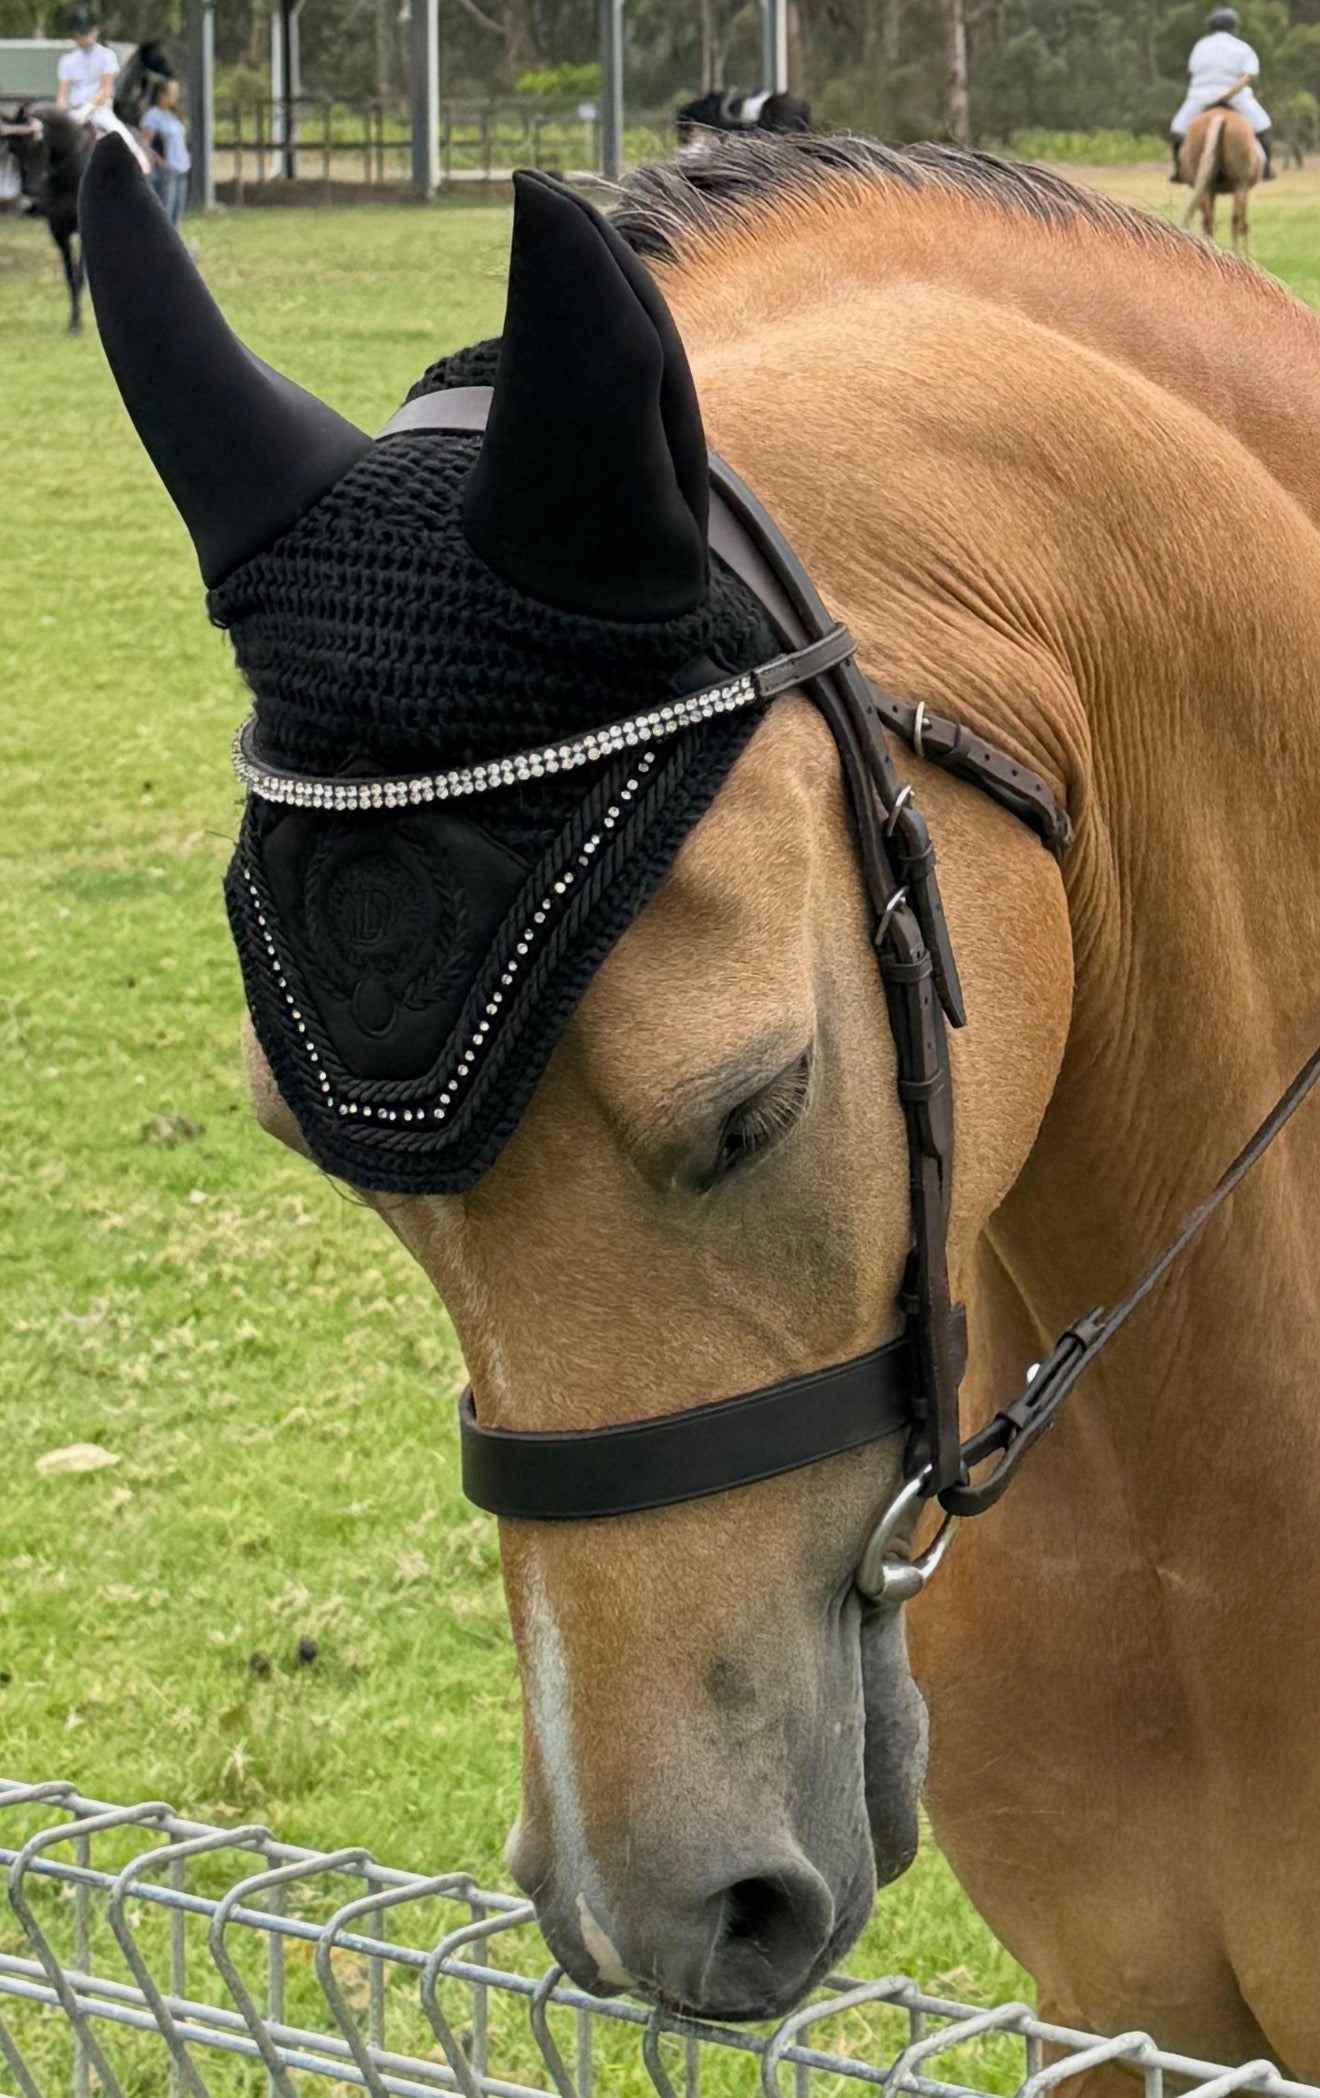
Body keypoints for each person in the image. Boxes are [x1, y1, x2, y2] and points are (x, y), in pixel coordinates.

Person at [1170, 8, 1274, 181]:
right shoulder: (1242, 47)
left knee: (1177, 129)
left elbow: (1192, 71)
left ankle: (1178, 172)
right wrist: (1228, 94)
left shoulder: (1200, 46)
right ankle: (1266, 170)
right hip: (1236, 97)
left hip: (1200, 97)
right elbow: (1247, 76)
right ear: (1233, 27)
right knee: (1263, 127)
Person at [54, 5, 152, 171]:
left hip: (97, 109)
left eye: (90, 32)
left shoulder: (106, 56)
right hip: (74, 109)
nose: (88, 36)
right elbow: (62, 94)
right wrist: (61, 109)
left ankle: (137, 155)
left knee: (117, 130)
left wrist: (87, 108)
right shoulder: (66, 61)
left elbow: (105, 91)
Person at [140, 76, 189, 226]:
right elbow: (145, 145)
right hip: (166, 173)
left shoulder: (172, 116)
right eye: (173, 93)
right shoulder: (152, 117)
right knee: (165, 216)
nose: (177, 96)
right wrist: (161, 163)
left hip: (180, 170)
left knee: (176, 215)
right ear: (162, 95)